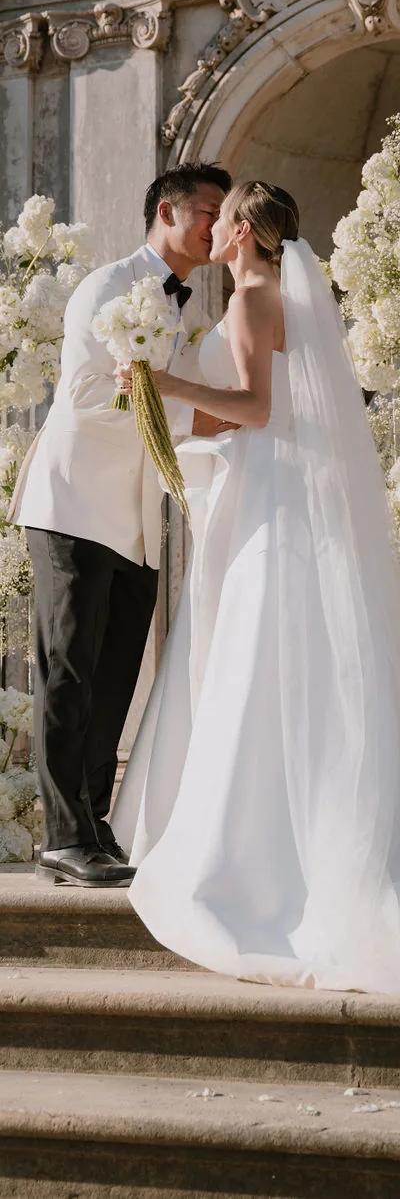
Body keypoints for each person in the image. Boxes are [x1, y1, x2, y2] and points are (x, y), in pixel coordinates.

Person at [112, 180, 400, 991]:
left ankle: (245, 853)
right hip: (283, 491)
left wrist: (165, 389)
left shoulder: (250, 298)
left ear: (239, 230)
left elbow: (255, 407)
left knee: (252, 654)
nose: (212, 227)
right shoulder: (287, 294)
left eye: (220, 214)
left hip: (271, 494)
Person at [8, 161, 231, 887]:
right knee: (67, 672)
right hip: (72, 508)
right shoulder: (106, 287)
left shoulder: (187, 307)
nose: (214, 223)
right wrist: (182, 402)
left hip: (138, 522)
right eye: (206, 209)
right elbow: (81, 392)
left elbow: (196, 391)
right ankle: (63, 836)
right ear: (166, 211)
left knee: (113, 680)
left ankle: (93, 826)